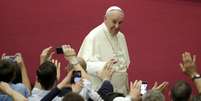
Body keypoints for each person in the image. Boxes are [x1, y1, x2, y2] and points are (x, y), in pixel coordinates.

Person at [78, 6, 130, 94]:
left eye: (120, 23)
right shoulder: (94, 36)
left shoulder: (121, 36)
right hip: (101, 89)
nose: (117, 26)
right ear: (105, 18)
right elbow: (83, 65)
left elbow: (124, 64)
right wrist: (104, 65)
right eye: (114, 22)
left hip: (120, 90)